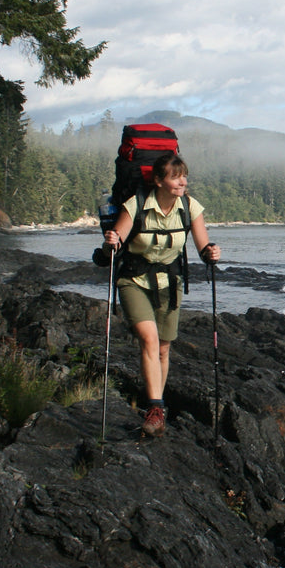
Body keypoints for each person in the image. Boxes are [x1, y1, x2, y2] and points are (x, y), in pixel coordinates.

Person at [102, 151, 220, 437]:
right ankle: (155, 408)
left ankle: (157, 407)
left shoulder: (190, 206)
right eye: (175, 176)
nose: (183, 181)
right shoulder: (137, 204)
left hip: (170, 283)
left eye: (184, 175)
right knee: (149, 339)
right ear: (158, 180)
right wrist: (111, 242)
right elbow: (114, 246)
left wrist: (211, 253)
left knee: (164, 348)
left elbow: (203, 247)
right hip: (134, 281)